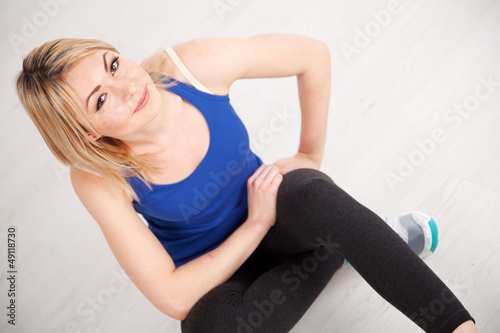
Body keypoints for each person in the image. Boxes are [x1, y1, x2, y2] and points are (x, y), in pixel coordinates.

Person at [16, 33, 478, 332]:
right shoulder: (97, 175)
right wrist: (253, 227)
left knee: (309, 192)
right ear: (86, 132)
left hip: (285, 214)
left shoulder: (191, 67)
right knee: (209, 329)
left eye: (113, 65)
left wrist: (308, 156)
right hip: (215, 270)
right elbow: (175, 297)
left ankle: (454, 323)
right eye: (100, 100)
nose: (127, 87)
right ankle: (354, 246)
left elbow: (312, 55)